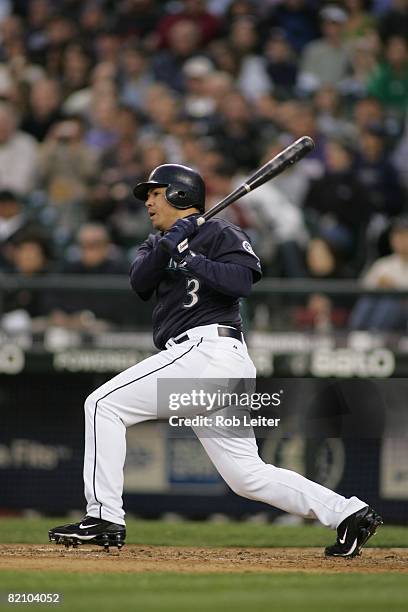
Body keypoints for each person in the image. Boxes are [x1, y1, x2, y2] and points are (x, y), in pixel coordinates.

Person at [49, 163, 382, 556]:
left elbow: (241, 282)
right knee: (247, 476)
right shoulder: (156, 241)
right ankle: (348, 513)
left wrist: (189, 255)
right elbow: (139, 282)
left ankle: (104, 517)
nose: (149, 202)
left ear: (181, 195)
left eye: (156, 193)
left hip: (210, 352)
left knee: (103, 404)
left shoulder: (223, 232)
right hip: (204, 362)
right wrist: (170, 243)